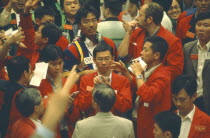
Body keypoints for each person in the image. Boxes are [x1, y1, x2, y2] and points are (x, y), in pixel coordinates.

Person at [112, 36, 172, 138]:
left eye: (145, 50)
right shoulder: (148, 69)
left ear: (156, 55)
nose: (141, 53)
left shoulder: (163, 75)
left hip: (153, 126)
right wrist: (125, 71)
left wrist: (138, 73)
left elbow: (148, 95)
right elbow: (138, 85)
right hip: (139, 119)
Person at [118, 2, 183, 80]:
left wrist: (151, 72)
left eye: (140, 15)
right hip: (135, 83)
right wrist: (128, 33)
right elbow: (122, 57)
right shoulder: (137, 33)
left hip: (157, 85)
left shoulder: (172, 41)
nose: (136, 18)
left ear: (149, 19)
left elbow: (176, 71)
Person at [77, 41, 132, 118]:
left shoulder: (122, 80)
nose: (103, 63)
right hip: (92, 123)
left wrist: (110, 90)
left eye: (107, 59)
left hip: (115, 123)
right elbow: (81, 106)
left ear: (112, 59)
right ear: (94, 60)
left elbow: (125, 107)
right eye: (100, 59)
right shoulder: (85, 79)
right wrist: (93, 90)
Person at [17, 0, 69, 70]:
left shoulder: (62, 41)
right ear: (37, 21)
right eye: (48, 21)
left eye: (52, 22)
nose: (50, 24)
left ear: (45, 40)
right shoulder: (36, 39)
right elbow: (27, 27)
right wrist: (26, 9)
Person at [63, 5, 118, 71]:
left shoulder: (109, 43)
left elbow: (117, 68)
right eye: (86, 22)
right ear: (79, 26)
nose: (91, 25)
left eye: (94, 20)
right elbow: (66, 75)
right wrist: (82, 74)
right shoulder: (72, 49)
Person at [183, 12, 210, 115]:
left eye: (206, 25)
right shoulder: (188, 48)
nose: (201, 29)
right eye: (199, 25)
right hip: (193, 99)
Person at [0, 56, 33, 137]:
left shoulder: (2, 84)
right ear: (25, 74)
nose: (32, 72)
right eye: (30, 70)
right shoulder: (24, 96)